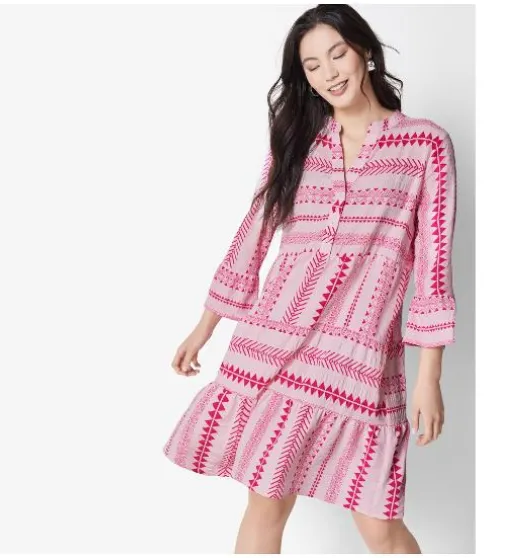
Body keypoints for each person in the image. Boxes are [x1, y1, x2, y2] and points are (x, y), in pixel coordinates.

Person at [163, 4, 458, 554]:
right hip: (273, 343)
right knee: (266, 503)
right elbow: (253, 232)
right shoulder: (297, 140)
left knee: (379, 525)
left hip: (359, 353)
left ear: (365, 51)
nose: (329, 73)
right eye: (312, 65)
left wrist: (428, 377)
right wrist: (204, 328)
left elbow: (433, 265)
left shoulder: (425, 146)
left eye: (337, 54)